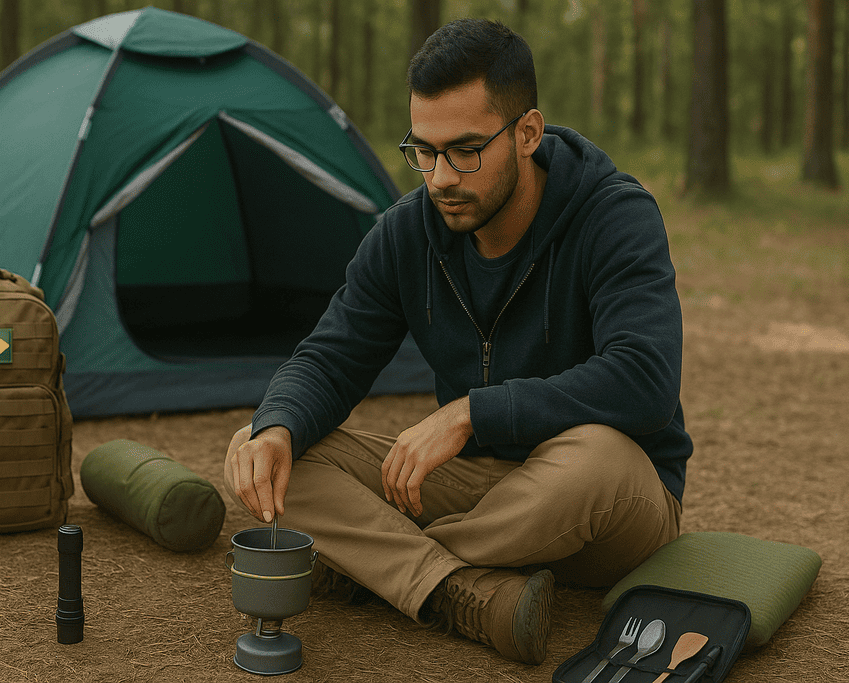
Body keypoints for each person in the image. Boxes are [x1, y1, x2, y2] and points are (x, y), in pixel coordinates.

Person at [223, 17, 692, 666]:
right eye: (423, 149)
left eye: (465, 150)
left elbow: (645, 381)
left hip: (606, 501)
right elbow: (330, 357)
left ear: (527, 132)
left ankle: (370, 561)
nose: (440, 176)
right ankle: (457, 590)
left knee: (598, 457)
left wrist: (474, 410)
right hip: (482, 487)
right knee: (267, 449)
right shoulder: (405, 234)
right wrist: (277, 425)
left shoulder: (614, 215)